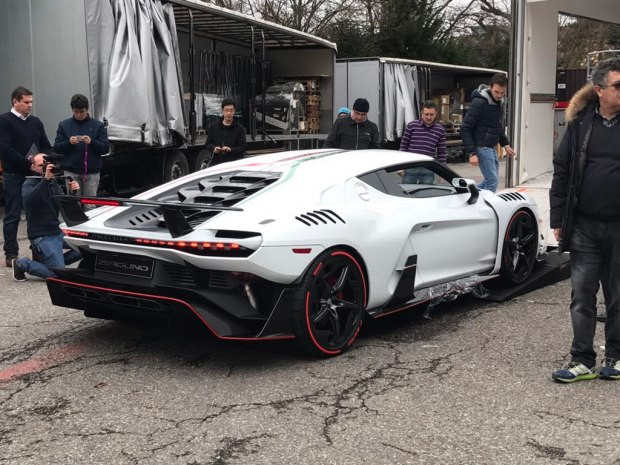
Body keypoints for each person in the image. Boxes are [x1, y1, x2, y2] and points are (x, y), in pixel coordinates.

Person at [549, 57, 620, 383]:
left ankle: (615, 357)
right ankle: (582, 359)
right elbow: (562, 170)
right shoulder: (580, 125)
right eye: (618, 86)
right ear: (599, 90)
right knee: (581, 295)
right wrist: (558, 217)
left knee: (617, 296)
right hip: (584, 226)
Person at [0, 86, 52, 268]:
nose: (30, 105)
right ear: (15, 102)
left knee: (35, 216)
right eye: (26, 102)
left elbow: (46, 145)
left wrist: (44, 158)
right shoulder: (4, 121)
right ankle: (11, 254)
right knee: (13, 215)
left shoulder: (36, 122)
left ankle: (38, 253)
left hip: (34, 176)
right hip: (14, 175)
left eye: (31, 102)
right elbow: (5, 149)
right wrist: (28, 163)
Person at [12, 154, 82, 281]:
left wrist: (73, 192)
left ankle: (55, 263)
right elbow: (28, 201)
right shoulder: (29, 182)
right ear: (33, 167)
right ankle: (22, 263)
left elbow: (64, 205)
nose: (45, 168)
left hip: (57, 232)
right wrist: (45, 180)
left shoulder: (53, 182)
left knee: (87, 248)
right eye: (41, 165)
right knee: (59, 276)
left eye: (46, 165)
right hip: (42, 235)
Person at [461, 73, 516, 192]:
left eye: (502, 93)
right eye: (496, 92)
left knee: (489, 181)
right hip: (481, 146)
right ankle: (486, 203)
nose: (499, 95)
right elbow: (465, 128)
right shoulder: (479, 103)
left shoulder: (498, 102)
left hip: (490, 147)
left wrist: (505, 145)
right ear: (490, 87)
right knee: (492, 182)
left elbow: (496, 125)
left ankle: (466, 193)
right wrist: (471, 153)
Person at [53, 94, 109, 199]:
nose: (79, 115)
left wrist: (92, 142)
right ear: (72, 110)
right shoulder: (64, 125)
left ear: (87, 109)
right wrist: (69, 142)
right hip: (71, 171)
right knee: (74, 203)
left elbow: (105, 148)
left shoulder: (98, 125)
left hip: (91, 171)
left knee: (90, 203)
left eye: (82, 111)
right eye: (76, 112)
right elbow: (57, 148)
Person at [399, 101, 447, 184]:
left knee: (426, 191)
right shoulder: (411, 126)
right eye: (426, 114)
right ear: (422, 113)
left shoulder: (440, 130)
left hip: (428, 168)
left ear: (435, 114)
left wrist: (442, 173)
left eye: (431, 114)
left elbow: (442, 152)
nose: (429, 117)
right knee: (407, 190)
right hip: (411, 166)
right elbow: (403, 147)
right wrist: (400, 167)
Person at [205, 98, 246, 166]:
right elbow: (208, 144)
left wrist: (231, 149)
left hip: (233, 164)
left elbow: (243, 147)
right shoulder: (213, 127)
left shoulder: (240, 129)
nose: (228, 113)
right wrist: (214, 148)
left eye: (231, 110)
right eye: (226, 110)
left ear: (234, 111)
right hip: (216, 163)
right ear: (222, 110)